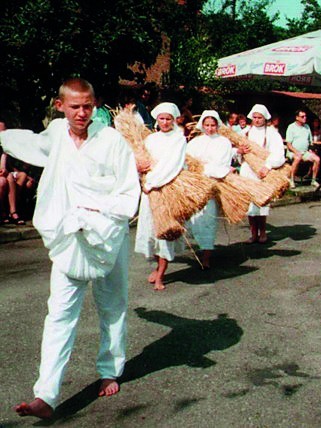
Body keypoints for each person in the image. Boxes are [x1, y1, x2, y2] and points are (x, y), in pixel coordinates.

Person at [1, 78, 140, 418]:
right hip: (68, 237)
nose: (81, 113)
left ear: (95, 106)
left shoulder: (111, 141)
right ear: (60, 106)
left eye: (87, 106)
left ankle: (109, 369)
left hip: (107, 236)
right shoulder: (57, 134)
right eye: (74, 106)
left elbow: (127, 192)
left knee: (112, 305)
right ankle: (45, 396)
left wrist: (98, 215)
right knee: (60, 314)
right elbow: (29, 143)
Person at [134, 102, 186, 291]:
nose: (165, 122)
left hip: (166, 187)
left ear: (174, 120)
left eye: (168, 119)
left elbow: (172, 165)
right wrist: (142, 180)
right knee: (150, 231)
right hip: (149, 190)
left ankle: (161, 275)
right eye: (162, 119)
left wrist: (152, 183)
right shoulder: (151, 139)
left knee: (164, 231)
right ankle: (157, 266)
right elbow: (143, 162)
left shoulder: (179, 139)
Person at [186, 110, 236, 268]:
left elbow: (221, 165)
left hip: (212, 184)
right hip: (195, 185)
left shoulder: (224, 142)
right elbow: (188, 161)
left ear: (217, 125)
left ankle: (207, 256)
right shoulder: (195, 142)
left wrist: (204, 169)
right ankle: (197, 250)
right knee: (193, 218)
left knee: (208, 219)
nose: (209, 128)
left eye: (212, 125)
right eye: (206, 125)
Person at [241, 104, 286, 243]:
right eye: (254, 117)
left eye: (259, 117)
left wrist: (268, 166)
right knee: (249, 203)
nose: (257, 120)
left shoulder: (272, 133)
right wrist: (240, 152)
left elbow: (278, 153)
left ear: (265, 118)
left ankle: (263, 232)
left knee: (262, 202)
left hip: (262, 171)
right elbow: (238, 151)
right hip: (248, 170)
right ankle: (253, 232)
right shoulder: (247, 132)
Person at [285, 109, 320, 188]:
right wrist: (296, 151)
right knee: (297, 158)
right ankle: (291, 180)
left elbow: (310, 141)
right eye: (302, 116)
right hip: (293, 152)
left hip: (304, 152)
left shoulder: (307, 127)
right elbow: (289, 144)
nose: (305, 118)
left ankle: (313, 180)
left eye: (305, 116)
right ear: (297, 117)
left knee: (317, 159)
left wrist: (311, 149)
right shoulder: (291, 127)